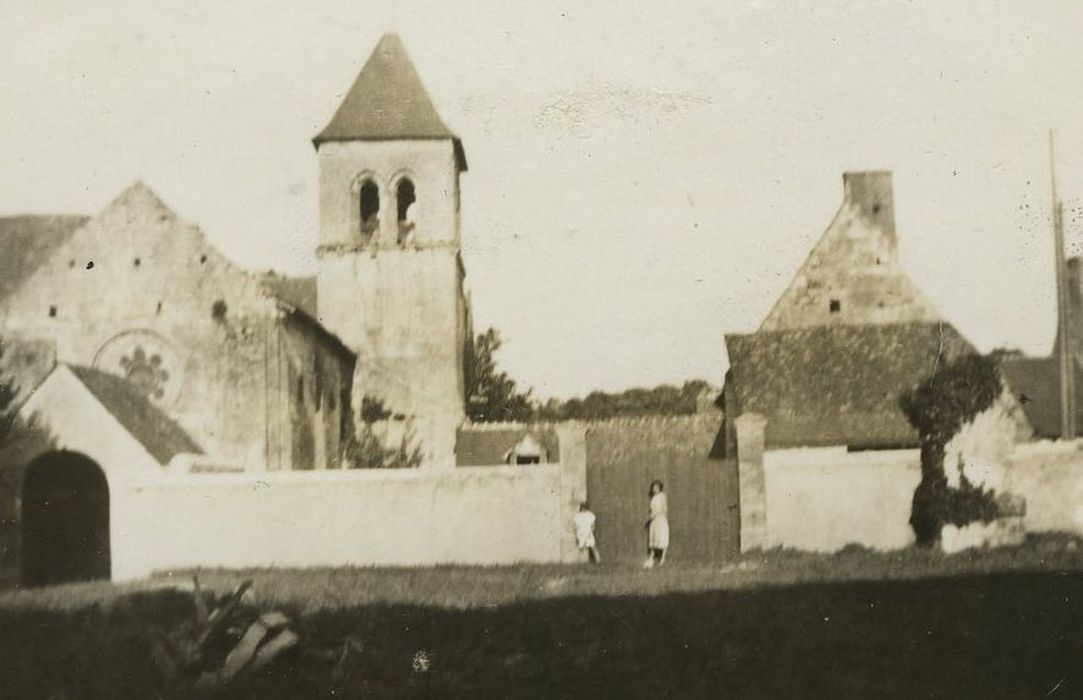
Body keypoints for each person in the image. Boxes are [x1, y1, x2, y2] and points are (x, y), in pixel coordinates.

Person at [644, 480, 669, 568]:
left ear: (659, 488)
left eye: (656, 487)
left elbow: (664, 509)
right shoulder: (653, 498)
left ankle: (662, 558)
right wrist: (651, 517)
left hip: (660, 520)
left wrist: (656, 515)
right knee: (653, 539)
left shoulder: (662, 496)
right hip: (654, 521)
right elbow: (652, 510)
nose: (655, 489)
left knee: (662, 538)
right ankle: (651, 558)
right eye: (653, 487)